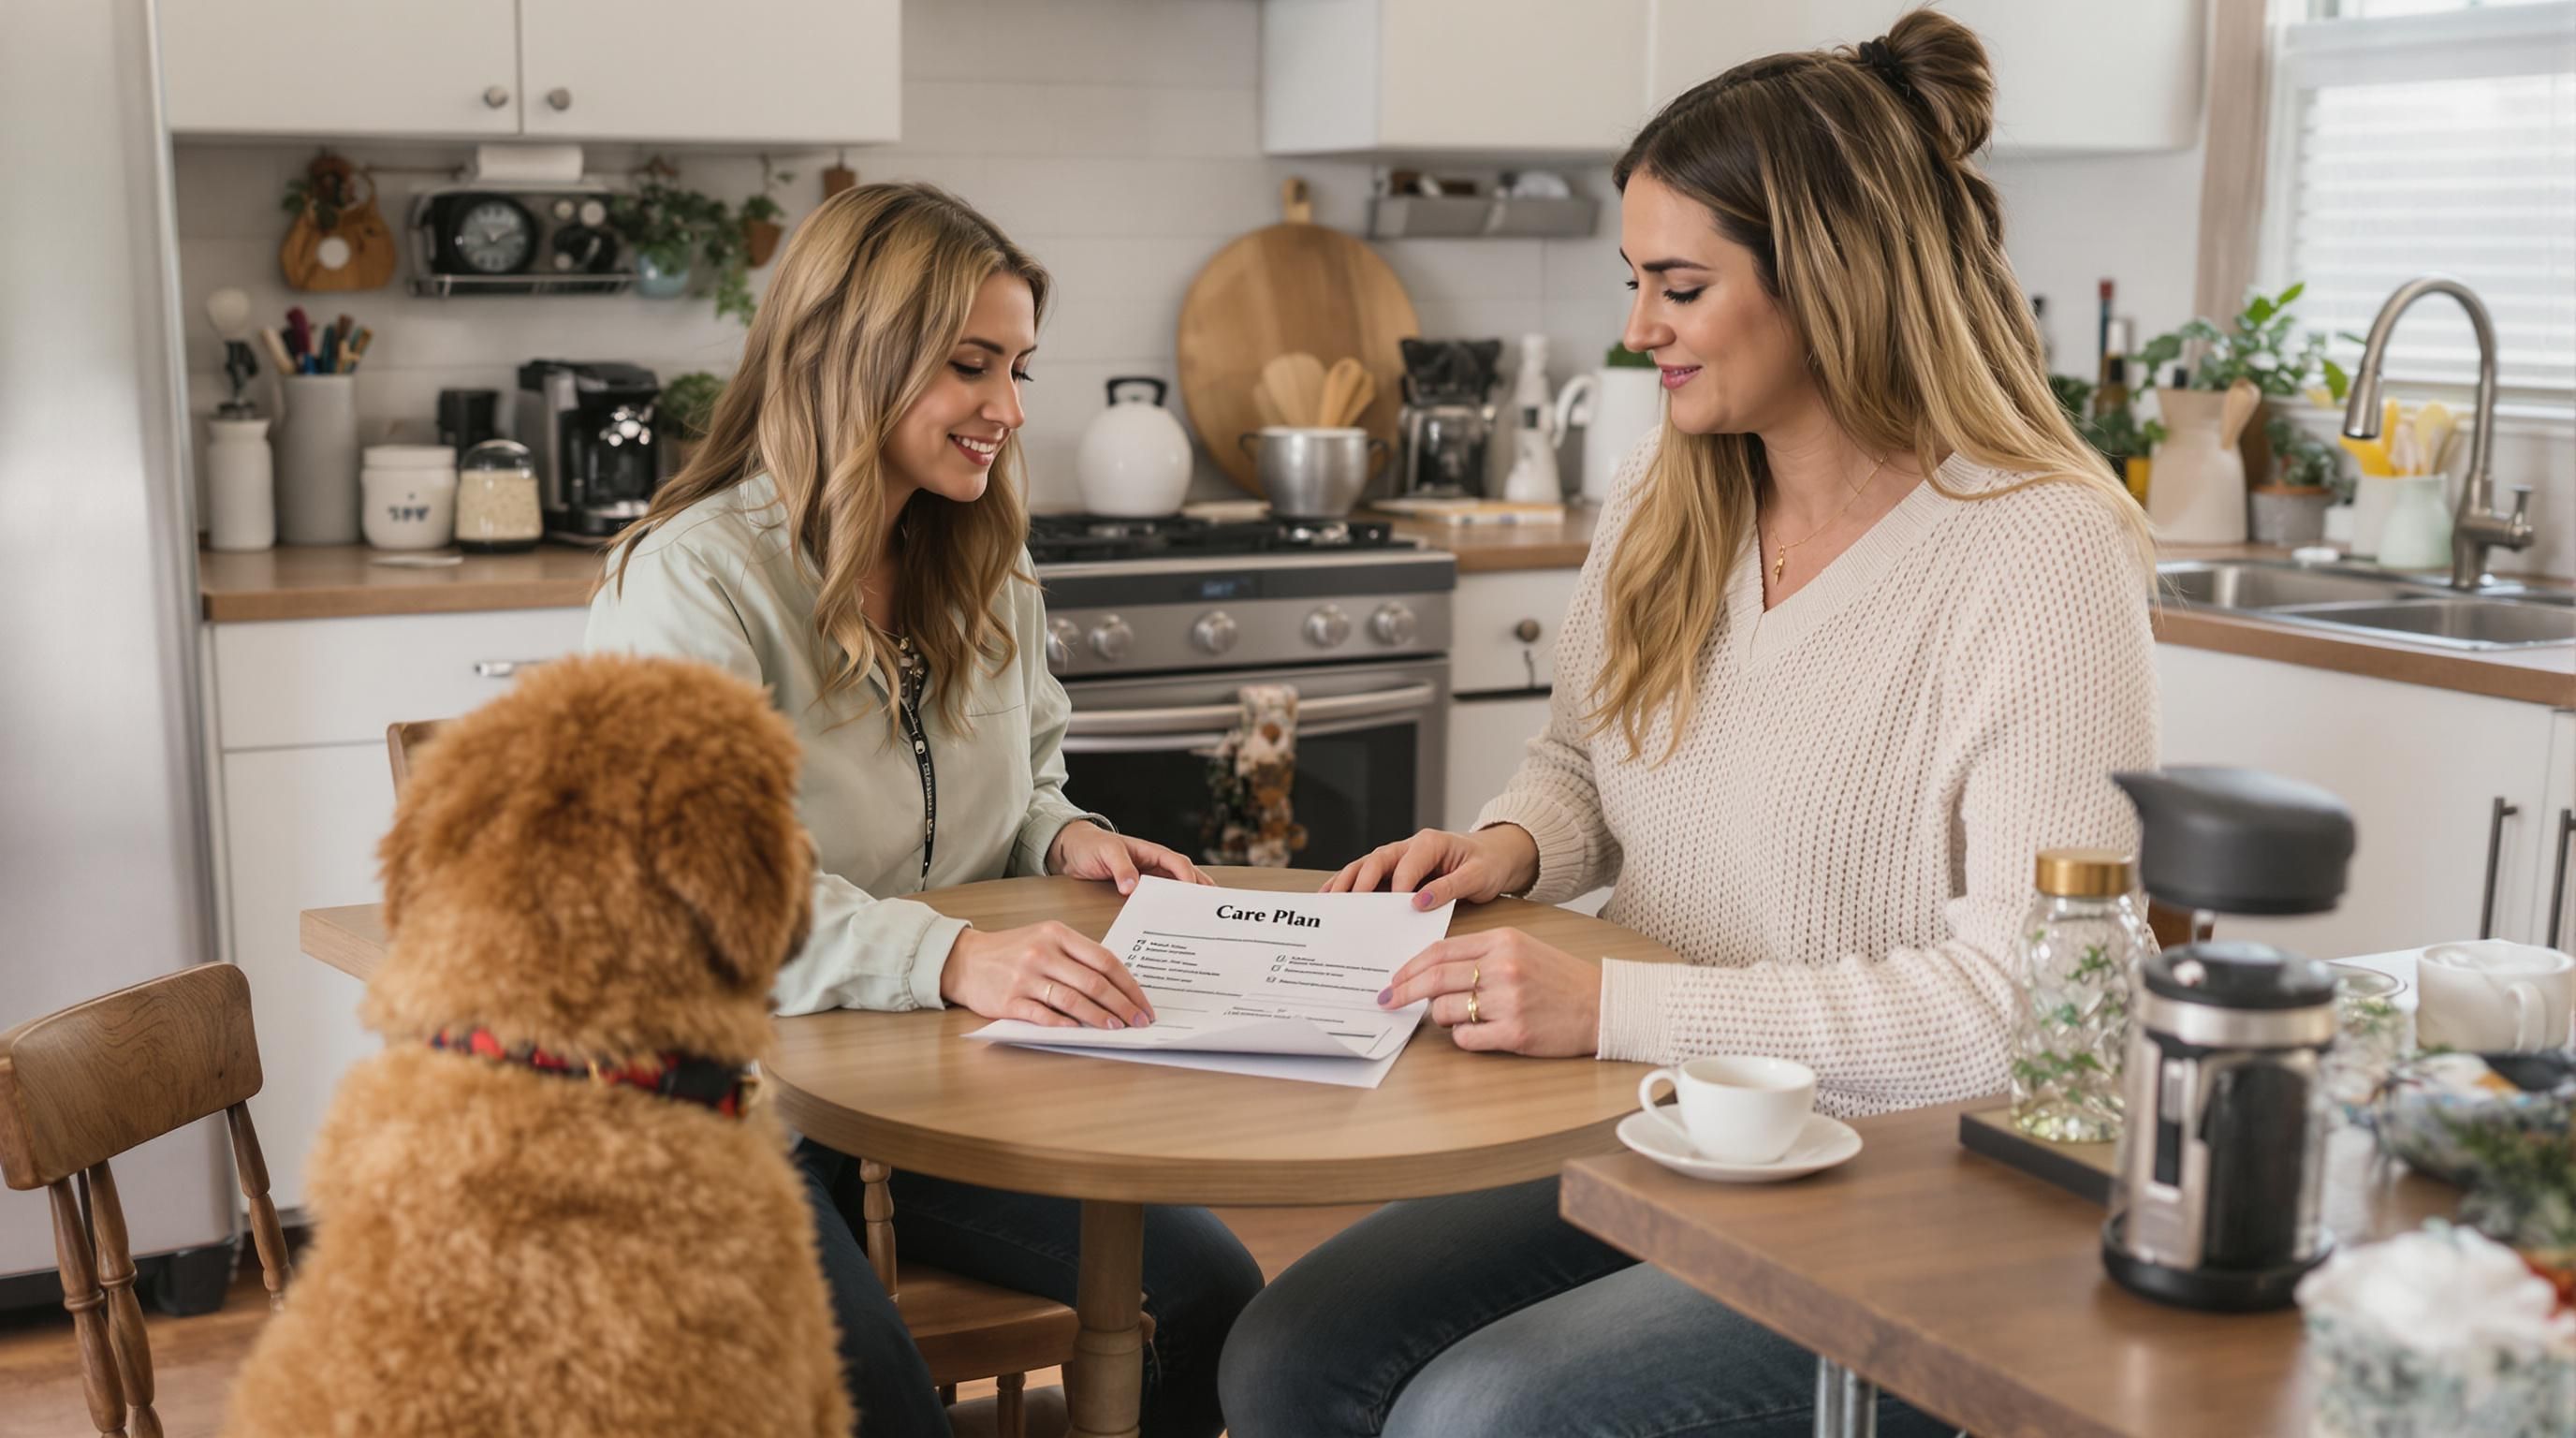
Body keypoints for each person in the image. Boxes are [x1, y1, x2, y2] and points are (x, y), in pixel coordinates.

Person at [1219, 13, 2157, 1436]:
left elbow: (2025, 1016)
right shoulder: (1679, 489)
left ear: (1831, 282)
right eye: (1634, 281)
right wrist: (1516, 846)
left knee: (1484, 1418)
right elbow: (1587, 755)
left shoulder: (2038, 552)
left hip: (1901, 1189)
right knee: (1285, 1347)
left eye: (1679, 284)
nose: (1638, 326)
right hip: (1664, 1124)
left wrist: (1613, 1009)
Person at [587, 181, 1261, 1438]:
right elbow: (712, 899)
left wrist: (1068, 837)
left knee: (1211, 1298)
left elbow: (1021, 782)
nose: (1007, 410)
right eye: (970, 366)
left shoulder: (981, 559)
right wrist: (954, 956)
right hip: (709, 1099)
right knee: (874, 1403)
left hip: (913, 1095)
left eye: (1018, 368)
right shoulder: (689, 580)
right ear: (855, 353)